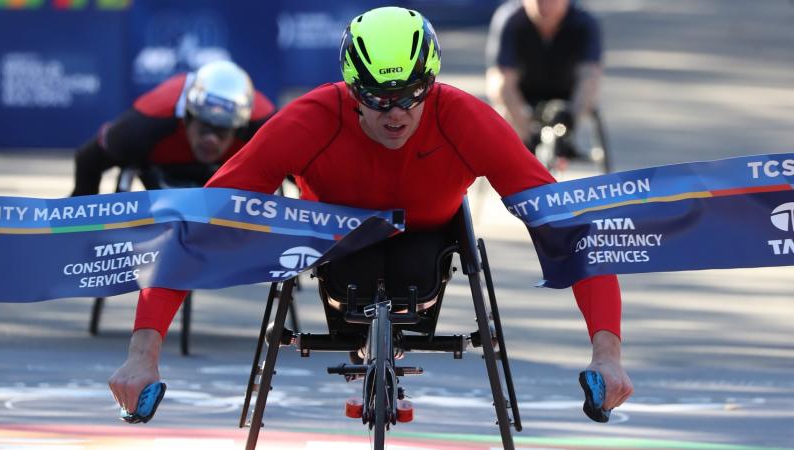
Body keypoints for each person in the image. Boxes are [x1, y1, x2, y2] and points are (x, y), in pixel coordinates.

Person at [109, 6, 633, 419]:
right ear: (350, 89)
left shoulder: (466, 119)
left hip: (428, 240)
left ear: (432, 82)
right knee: (357, 275)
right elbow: (201, 223)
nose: (396, 114)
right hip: (333, 243)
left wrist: (607, 352)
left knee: (410, 271)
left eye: (410, 95)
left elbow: (568, 227)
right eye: (377, 99)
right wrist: (142, 353)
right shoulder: (309, 119)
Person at [71, 60, 275, 196]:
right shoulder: (142, 128)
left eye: (222, 130)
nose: (211, 140)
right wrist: (82, 231)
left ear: (239, 129)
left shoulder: (266, 129)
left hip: (229, 179)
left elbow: (303, 169)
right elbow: (87, 159)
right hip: (160, 173)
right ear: (186, 117)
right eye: (204, 126)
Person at [485, 0, 603, 159]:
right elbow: (501, 79)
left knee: (590, 87)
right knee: (500, 92)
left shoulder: (584, 22)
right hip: (523, 93)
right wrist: (526, 132)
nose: (545, 7)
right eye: (538, 1)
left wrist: (571, 122)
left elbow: (590, 77)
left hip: (567, 93)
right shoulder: (510, 19)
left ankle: (564, 140)